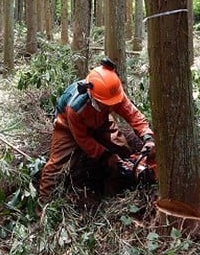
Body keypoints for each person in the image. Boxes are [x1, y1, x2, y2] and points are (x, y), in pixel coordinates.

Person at [38, 58, 156, 202]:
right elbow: (83, 139)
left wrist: (147, 137)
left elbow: (132, 114)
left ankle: (118, 192)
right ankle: (44, 204)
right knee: (57, 165)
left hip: (101, 120)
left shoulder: (113, 93)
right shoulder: (75, 108)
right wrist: (106, 155)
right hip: (68, 127)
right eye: (105, 104)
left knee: (122, 148)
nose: (110, 107)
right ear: (91, 94)